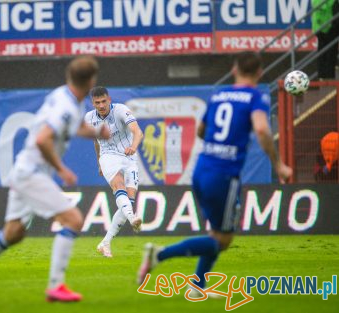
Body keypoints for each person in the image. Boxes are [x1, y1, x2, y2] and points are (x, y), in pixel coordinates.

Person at [0, 56, 109, 303]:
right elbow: (42, 139)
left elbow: (74, 127)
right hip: (33, 173)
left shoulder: (65, 96)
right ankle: (56, 286)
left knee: (14, 232)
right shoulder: (67, 107)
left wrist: (97, 132)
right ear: (92, 80)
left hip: (24, 169)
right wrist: (61, 169)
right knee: (73, 219)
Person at [137, 52, 292, 292]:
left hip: (201, 170)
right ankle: (160, 255)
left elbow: (201, 129)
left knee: (215, 233)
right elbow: (262, 130)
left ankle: (197, 285)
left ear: (234, 69)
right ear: (260, 72)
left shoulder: (219, 95)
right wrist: (278, 164)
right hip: (224, 175)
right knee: (223, 240)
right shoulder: (255, 97)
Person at [84, 86, 144, 258]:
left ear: (109, 99)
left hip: (129, 155)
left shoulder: (121, 110)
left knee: (129, 198)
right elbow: (96, 142)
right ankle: (133, 218)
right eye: (97, 103)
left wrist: (133, 146)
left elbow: (137, 131)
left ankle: (105, 242)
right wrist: (99, 163)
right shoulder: (89, 118)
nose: (101, 105)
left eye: (104, 101)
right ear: (93, 103)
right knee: (119, 185)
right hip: (108, 156)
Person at [312, 0, 339, 79]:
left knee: (325, 52)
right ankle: (327, 76)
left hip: (322, 25)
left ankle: (324, 76)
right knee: (329, 52)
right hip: (327, 26)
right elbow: (322, 7)